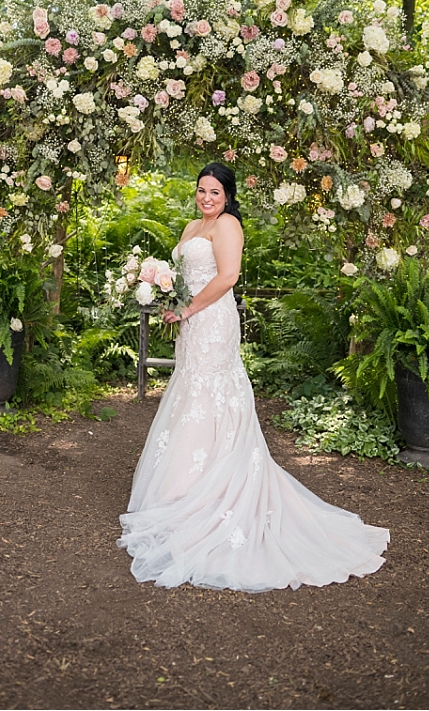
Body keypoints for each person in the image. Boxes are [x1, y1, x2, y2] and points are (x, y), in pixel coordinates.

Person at [117, 164, 390, 591]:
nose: (206, 198)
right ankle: (181, 489)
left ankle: (212, 493)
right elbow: (187, 277)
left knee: (209, 395)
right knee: (191, 393)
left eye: (214, 192)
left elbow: (228, 277)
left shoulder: (228, 226)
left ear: (227, 196)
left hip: (212, 321)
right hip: (190, 324)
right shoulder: (192, 226)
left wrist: (188, 308)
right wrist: (170, 295)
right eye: (201, 190)